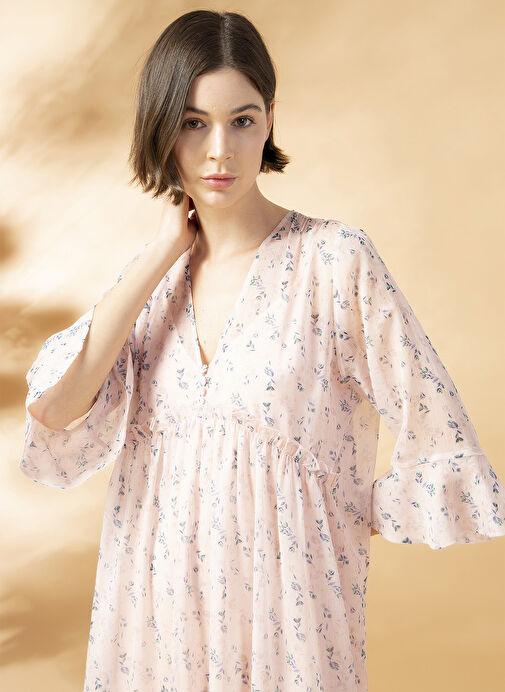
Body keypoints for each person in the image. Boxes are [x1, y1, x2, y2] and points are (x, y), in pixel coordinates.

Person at [19, 9, 505, 692]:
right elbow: (54, 410)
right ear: (161, 127)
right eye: (193, 123)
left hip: (290, 635)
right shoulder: (149, 291)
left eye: (241, 120)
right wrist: (163, 249)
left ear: (269, 120)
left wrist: (337, 511)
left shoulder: (333, 261)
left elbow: (434, 421)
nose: (220, 150)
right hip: (158, 636)